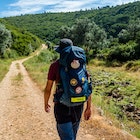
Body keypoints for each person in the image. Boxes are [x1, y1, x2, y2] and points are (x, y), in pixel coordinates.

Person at [44, 38, 92, 140]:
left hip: (62, 106)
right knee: (72, 137)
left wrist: (46, 102)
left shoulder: (55, 66)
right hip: (79, 106)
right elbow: (87, 86)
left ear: (61, 51)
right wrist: (88, 107)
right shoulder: (81, 65)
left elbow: (48, 88)